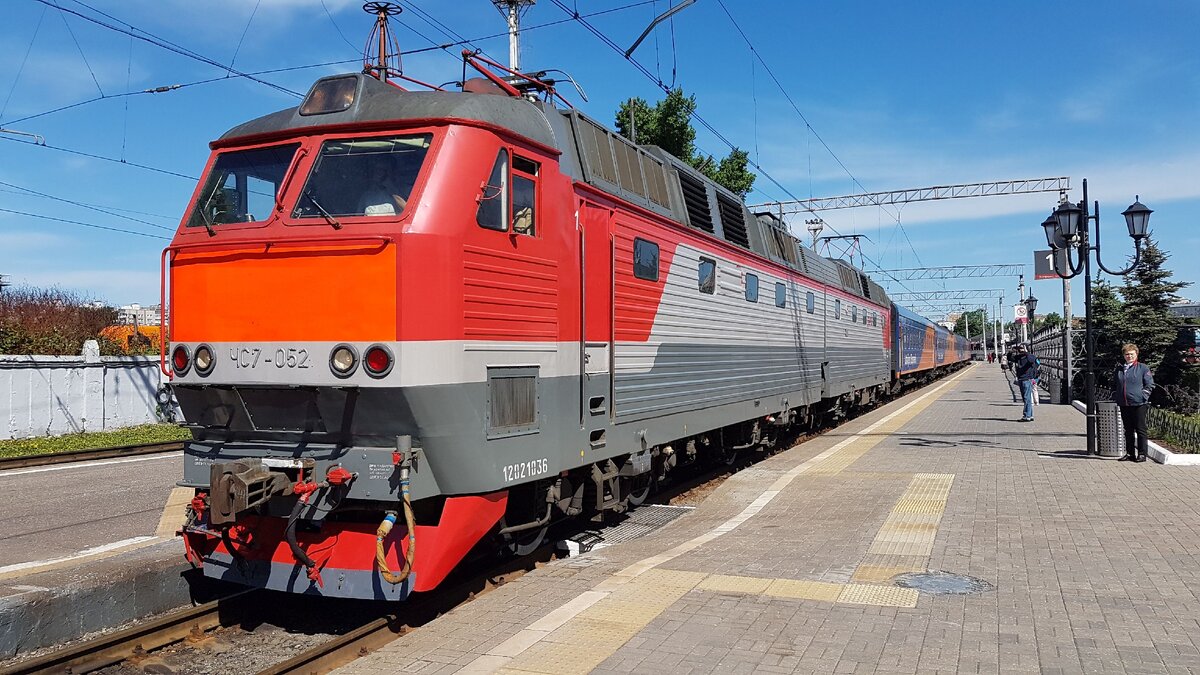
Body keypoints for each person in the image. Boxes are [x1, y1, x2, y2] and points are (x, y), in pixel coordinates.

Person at [1114, 343, 1154, 462]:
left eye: (1131, 354)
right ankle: (1130, 453)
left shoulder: (1143, 368)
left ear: (1136, 354)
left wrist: (1143, 395)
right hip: (1124, 403)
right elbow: (1115, 384)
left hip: (1139, 404)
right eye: (1127, 354)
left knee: (1140, 429)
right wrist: (1116, 395)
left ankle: (1142, 454)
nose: (1129, 356)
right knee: (1128, 429)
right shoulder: (1120, 369)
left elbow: (1149, 384)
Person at [1013, 344, 1039, 421]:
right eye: (1019, 349)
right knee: (1026, 398)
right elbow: (1010, 358)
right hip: (1021, 379)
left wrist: (1026, 352)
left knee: (1027, 398)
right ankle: (1030, 415)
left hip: (1027, 379)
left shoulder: (1031, 356)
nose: (1020, 350)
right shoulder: (1019, 357)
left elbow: (1031, 360)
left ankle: (1027, 416)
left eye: (1021, 348)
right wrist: (1011, 351)